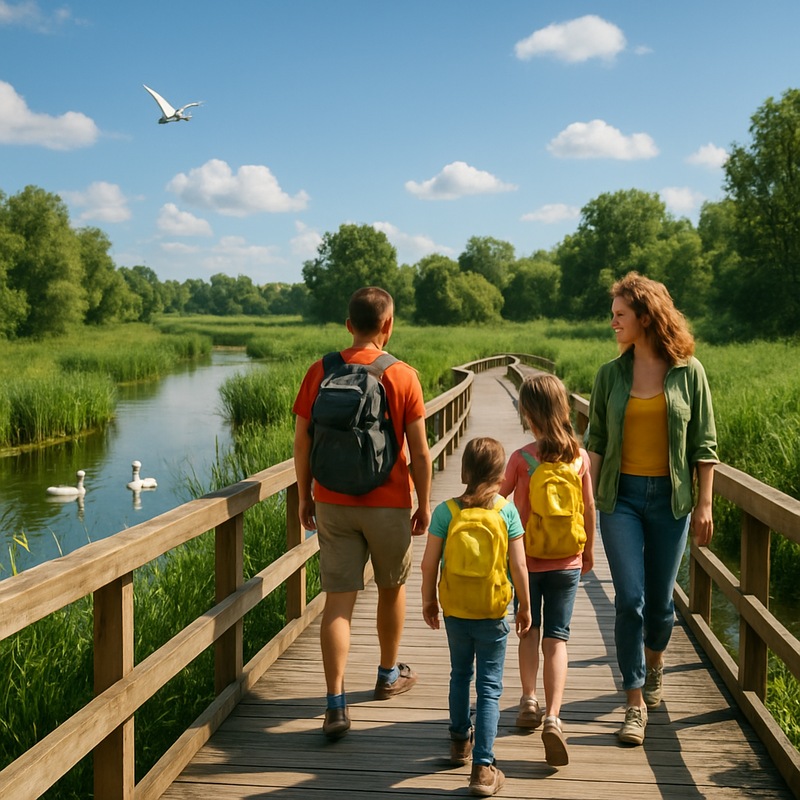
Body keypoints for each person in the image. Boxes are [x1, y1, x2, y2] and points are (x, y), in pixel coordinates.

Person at [293, 286, 432, 740]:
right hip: (388, 502)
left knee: (338, 602)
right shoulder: (403, 376)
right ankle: (388, 675)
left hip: (332, 501)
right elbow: (420, 453)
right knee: (392, 589)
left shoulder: (320, 371)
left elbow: (302, 441)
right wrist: (424, 503)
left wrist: (305, 496)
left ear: (348, 324)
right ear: (388, 326)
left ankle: (335, 704)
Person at [586, 272, 718, 746]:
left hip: (672, 500)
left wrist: (704, 502)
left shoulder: (690, 371)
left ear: (645, 316)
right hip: (619, 499)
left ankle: (655, 663)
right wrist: (585, 506)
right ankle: (634, 701)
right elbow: (595, 443)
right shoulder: (609, 374)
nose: (613, 323)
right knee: (630, 599)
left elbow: (704, 443)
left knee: (661, 605)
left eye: (620, 315)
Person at [421, 437, 531, 798]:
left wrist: (429, 602)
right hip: (494, 612)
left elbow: (428, 564)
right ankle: (483, 768)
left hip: (456, 610)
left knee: (459, 674)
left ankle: (458, 743)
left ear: (465, 471)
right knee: (489, 688)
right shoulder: (506, 511)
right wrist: (525, 606)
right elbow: (519, 565)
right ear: (501, 475)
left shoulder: (445, 512)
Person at [499, 374, 595, 767]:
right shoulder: (580, 458)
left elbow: (498, 498)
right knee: (557, 638)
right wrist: (587, 551)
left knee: (528, 628)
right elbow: (589, 508)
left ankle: (528, 700)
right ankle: (554, 716)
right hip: (566, 562)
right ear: (563, 410)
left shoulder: (522, 458)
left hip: (525, 562)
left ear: (527, 413)